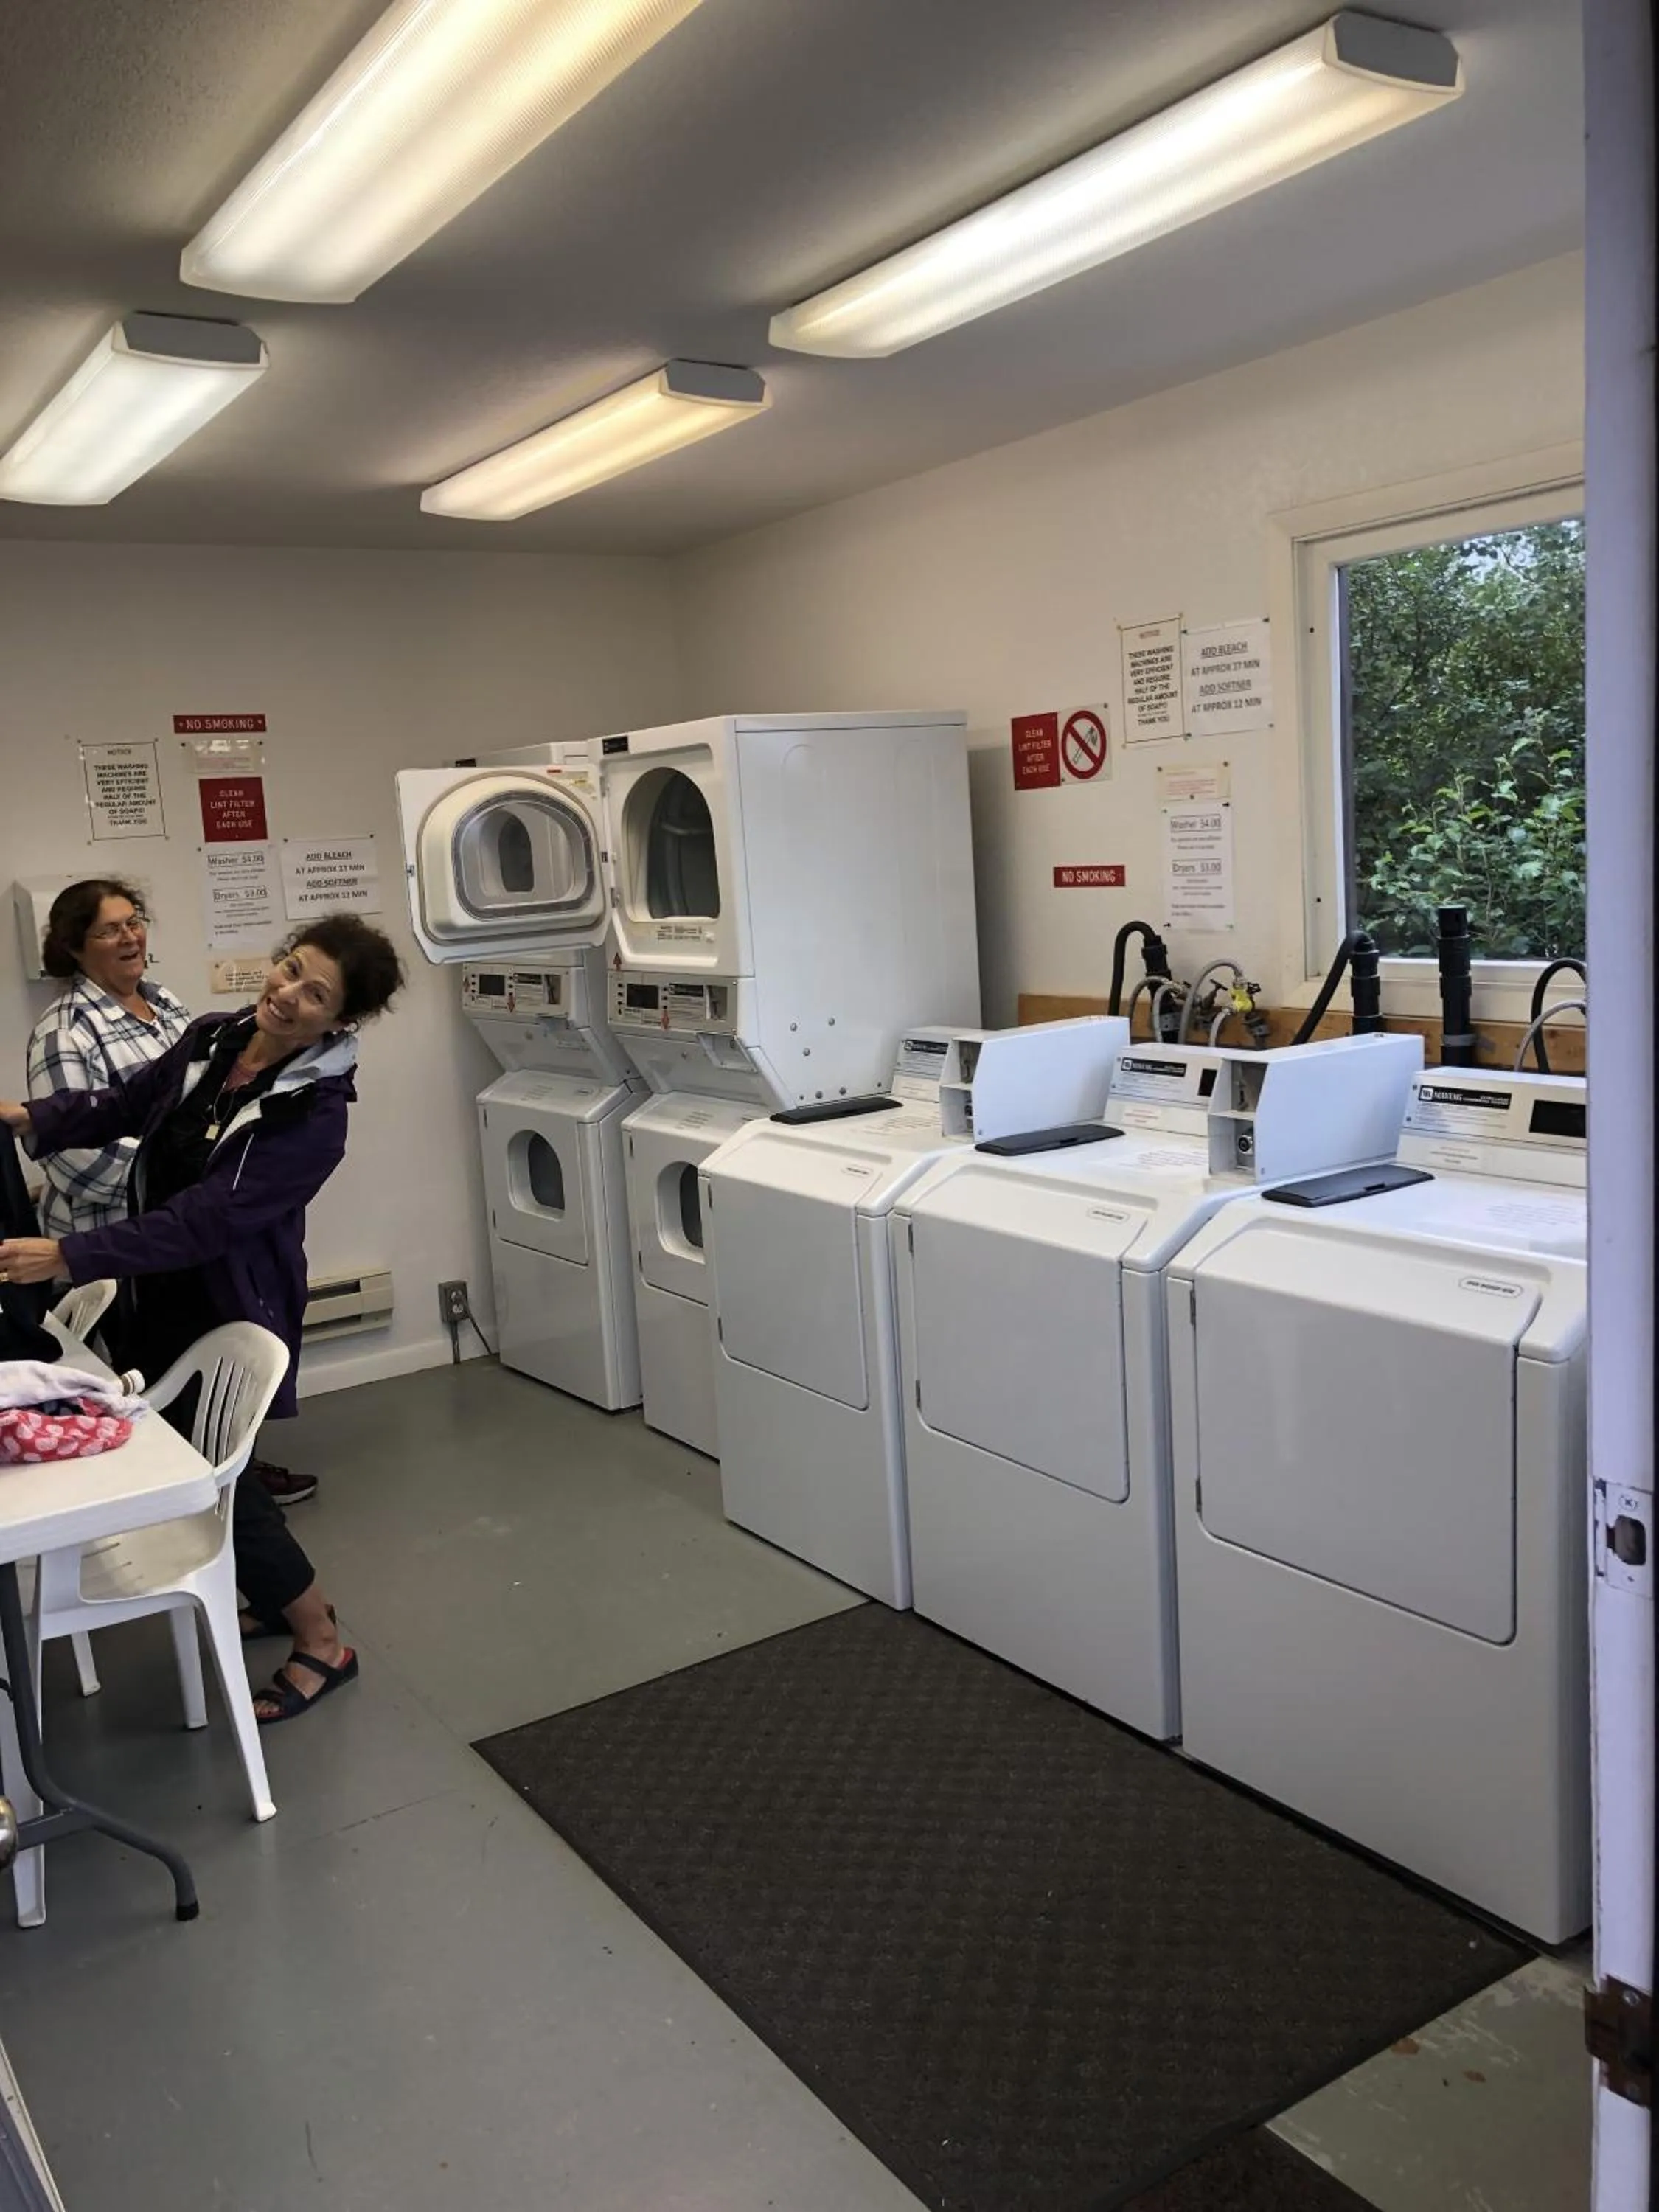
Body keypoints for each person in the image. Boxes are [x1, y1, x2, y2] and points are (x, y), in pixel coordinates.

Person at [0, 914, 405, 1724]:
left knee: (209, 1478)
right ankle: (273, 1593)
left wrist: (69, 1256)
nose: (285, 994)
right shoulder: (217, 1037)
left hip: (226, 1300)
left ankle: (322, 1640)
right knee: (203, 1463)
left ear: (342, 1021)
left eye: (313, 993)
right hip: (159, 1287)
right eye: (289, 968)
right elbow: (129, 1102)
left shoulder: (315, 1115)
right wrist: (27, 1119)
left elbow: (207, 1221)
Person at [25, 880, 318, 1510]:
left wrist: (196, 1188)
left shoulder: (171, 1007)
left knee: (213, 1378)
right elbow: (83, 1164)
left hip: (189, 1238)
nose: (131, 937)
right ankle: (203, 1513)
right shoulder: (66, 1030)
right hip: (121, 1249)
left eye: (135, 921)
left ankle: (233, 1486)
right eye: (109, 930)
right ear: (73, 947)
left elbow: (185, 1108)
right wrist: (185, 1180)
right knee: (158, 1395)